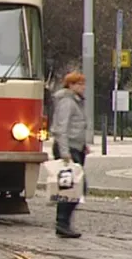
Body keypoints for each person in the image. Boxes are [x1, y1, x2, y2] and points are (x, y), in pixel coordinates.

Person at [50, 71, 88, 239]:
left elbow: (76, 126)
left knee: (71, 187)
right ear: (71, 85)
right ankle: (62, 223)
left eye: (83, 84)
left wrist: (83, 145)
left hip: (76, 148)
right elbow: (62, 129)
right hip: (68, 150)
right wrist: (65, 153)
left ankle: (64, 223)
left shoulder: (76, 102)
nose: (83, 87)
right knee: (75, 187)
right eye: (79, 84)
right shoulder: (67, 102)